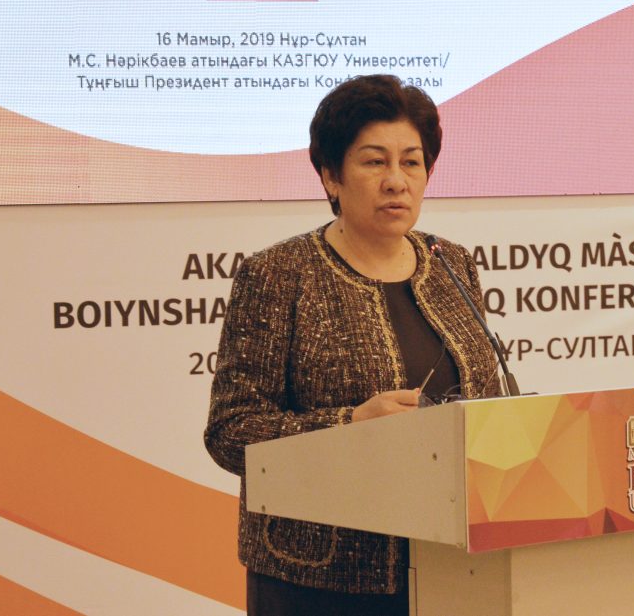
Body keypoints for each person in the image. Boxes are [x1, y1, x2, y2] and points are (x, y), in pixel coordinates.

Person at [204, 74, 501, 615]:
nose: (396, 181)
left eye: (411, 162)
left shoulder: (451, 265)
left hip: (452, 565)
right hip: (319, 578)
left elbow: (486, 403)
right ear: (330, 176)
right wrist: (351, 424)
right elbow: (231, 432)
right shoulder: (279, 275)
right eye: (374, 162)